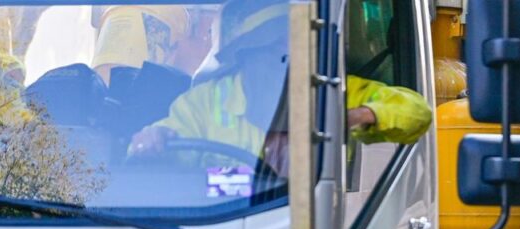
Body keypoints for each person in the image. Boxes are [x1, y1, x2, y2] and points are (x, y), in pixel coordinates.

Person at [128, 0, 432, 170]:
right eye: (269, 49)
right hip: (221, 227)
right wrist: (154, 139)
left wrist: (358, 115)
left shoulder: (332, 88)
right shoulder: (205, 101)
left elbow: (418, 112)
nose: (282, 60)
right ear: (244, 56)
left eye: (289, 49)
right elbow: (158, 146)